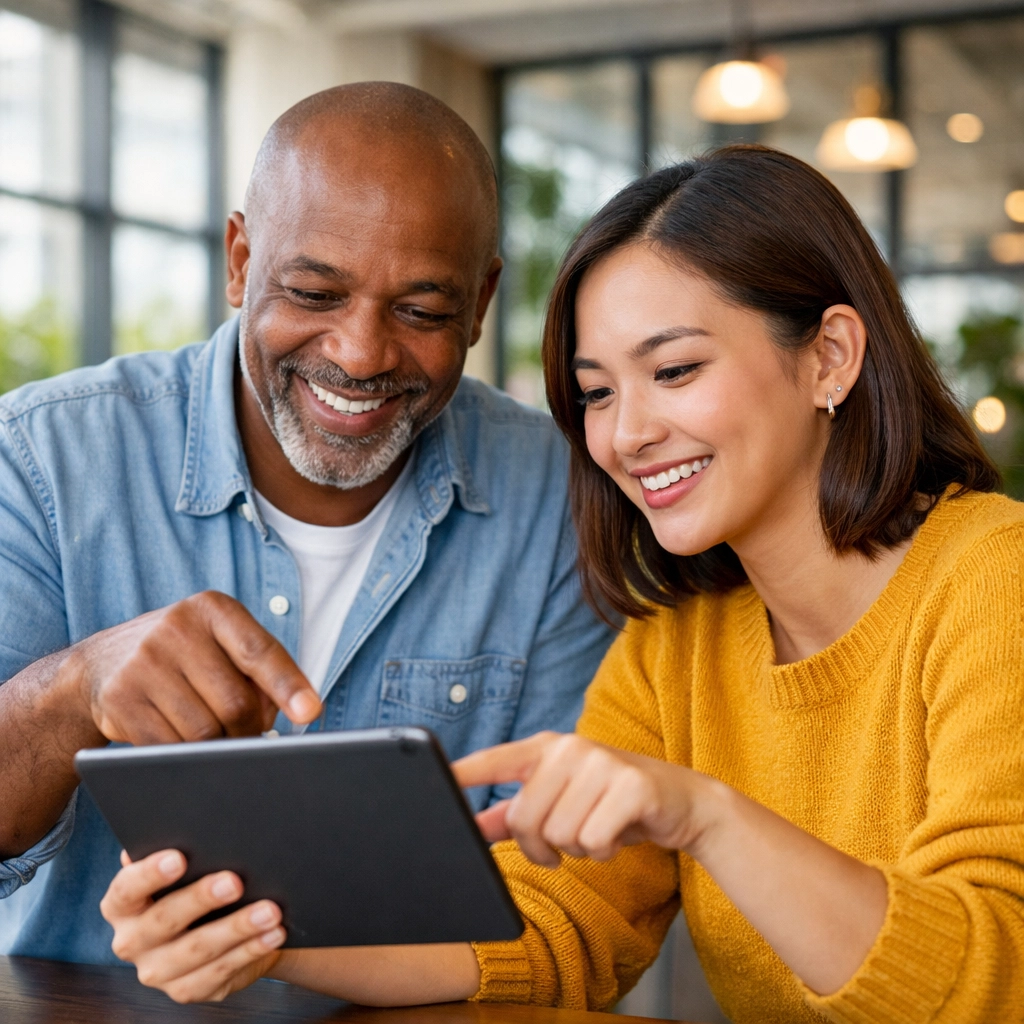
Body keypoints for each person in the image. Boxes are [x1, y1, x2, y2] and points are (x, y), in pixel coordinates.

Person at [101, 145, 1024, 1022]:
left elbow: (999, 981)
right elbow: (551, 931)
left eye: (673, 370)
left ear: (829, 356)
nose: (626, 435)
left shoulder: (993, 579)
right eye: (596, 392)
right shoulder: (677, 647)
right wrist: (244, 928)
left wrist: (707, 817)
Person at [0, 82, 613, 965]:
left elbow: (565, 888)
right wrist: (75, 691)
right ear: (241, 260)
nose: (360, 354)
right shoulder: (44, 459)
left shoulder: (558, 500)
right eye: (314, 292)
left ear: (481, 304)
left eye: (423, 312)